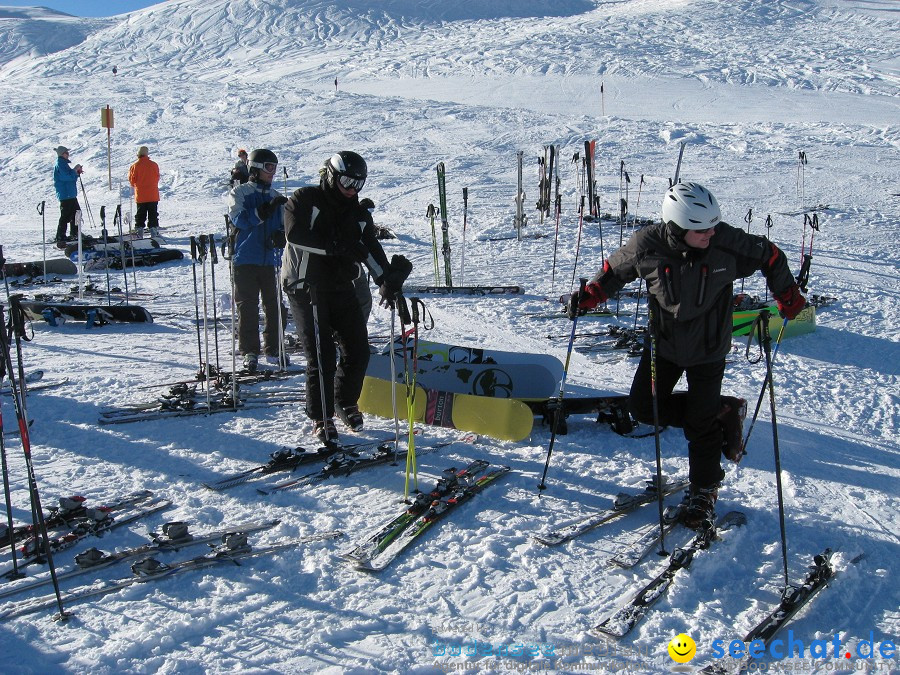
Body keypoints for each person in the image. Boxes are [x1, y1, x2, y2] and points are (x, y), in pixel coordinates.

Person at [570, 181, 806, 529]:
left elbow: (769, 255)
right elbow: (614, 271)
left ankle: (704, 490)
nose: (710, 232)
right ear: (678, 228)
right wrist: (591, 295)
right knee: (643, 408)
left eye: (713, 224)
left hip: (709, 348)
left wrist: (787, 294)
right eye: (701, 229)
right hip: (663, 346)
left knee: (699, 424)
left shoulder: (725, 242)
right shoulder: (647, 244)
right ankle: (720, 412)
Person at [283, 151, 412, 444]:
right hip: (306, 287)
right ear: (330, 175)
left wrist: (387, 280)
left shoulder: (356, 212)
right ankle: (321, 415)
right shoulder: (305, 199)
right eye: (346, 181)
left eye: (358, 184)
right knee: (321, 355)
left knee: (358, 350)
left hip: (341, 286)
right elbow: (295, 235)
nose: (352, 189)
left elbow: (367, 247)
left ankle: (344, 401)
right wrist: (335, 246)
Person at [227, 148, 288, 374]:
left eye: (275, 168)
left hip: (270, 260)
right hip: (246, 258)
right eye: (268, 168)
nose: (272, 173)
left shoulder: (275, 196)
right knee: (248, 306)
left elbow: (283, 225)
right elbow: (240, 220)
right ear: (256, 168)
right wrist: (264, 212)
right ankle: (250, 350)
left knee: (275, 305)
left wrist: (282, 235)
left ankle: (274, 347)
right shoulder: (240, 192)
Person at [128, 146, 161, 238]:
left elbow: (132, 180)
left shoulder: (134, 166)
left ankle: (139, 232)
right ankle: (154, 231)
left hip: (141, 195)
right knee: (153, 213)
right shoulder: (154, 165)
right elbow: (157, 177)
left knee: (140, 214)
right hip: (153, 194)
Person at [52, 146, 82, 245]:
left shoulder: (63, 164)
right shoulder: (60, 164)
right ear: (61, 154)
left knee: (77, 213)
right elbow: (66, 177)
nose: (68, 154)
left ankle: (75, 233)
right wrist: (75, 171)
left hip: (70, 194)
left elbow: (70, 176)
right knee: (66, 215)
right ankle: (61, 235)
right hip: (66, 194)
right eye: (66, 153)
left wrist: (76, 172)